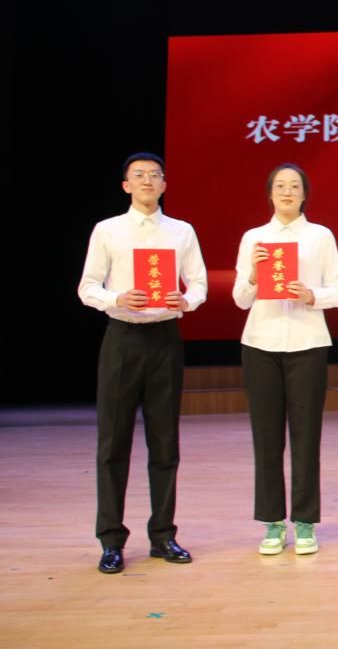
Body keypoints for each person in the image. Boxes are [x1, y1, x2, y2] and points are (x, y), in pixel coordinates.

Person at [78, 152, 208, 574]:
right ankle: (110, 540)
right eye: (139, 175)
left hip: (165, 339)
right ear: (126, 185)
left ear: (165, 184)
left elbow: (199, 283)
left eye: (155, 175)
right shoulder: (108, 230)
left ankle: (163, 535)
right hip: (123, 338)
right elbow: (87, 287)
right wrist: (117, 297)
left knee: (165, 443)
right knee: (113, 443)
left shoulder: (181, 231)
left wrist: (185, 300)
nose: (148, 181)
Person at [232, 164, 338, 555]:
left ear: (304, 194)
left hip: (307, 343)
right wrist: (253, 275)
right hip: (260, 343)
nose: (287, 192)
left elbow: (337, 291)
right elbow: (240, 299)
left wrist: (311, 295)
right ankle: (272, 522)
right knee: (266, 437)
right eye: (280, 186)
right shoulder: (254, 238)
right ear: (270, 193)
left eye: (294, 186)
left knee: (306, 436)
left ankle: (305, 521)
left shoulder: (320, 236)